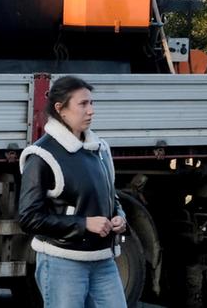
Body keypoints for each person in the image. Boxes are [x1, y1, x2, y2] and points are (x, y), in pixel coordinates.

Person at [18, 76, 128, 307]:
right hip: (62, 262)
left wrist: (120, 217)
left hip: (104, 260)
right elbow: (28, 218)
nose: (91, 111)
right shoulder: (41, 156)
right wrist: (84, 224)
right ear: (60, 109)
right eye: (83, 104)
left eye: (92, 103)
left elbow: (111, 196)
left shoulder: (100, 149)